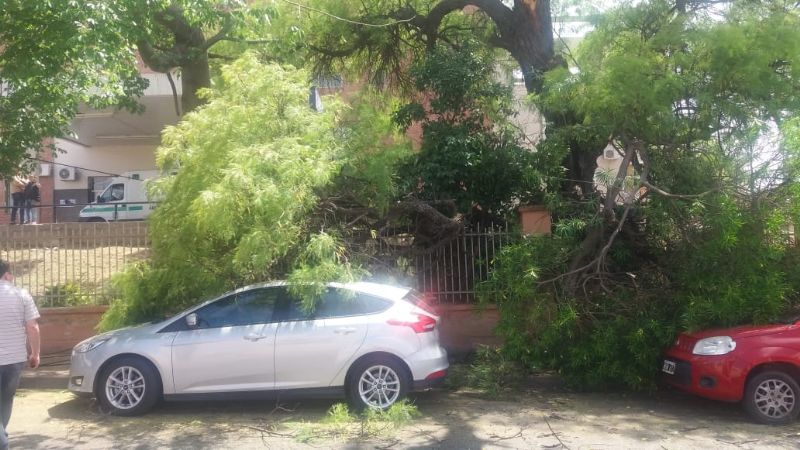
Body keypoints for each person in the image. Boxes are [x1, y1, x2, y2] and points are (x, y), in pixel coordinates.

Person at [0, 260, 40, 450]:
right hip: (14, 361)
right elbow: (32, 327)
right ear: (7, 275)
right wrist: (35, 354)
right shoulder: (21, 294)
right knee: (6, 399)